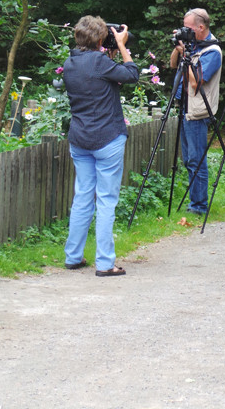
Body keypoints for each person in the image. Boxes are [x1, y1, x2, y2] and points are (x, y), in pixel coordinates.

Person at [63, 15, 139, 276]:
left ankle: (73, 256)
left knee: (83, 196)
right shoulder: (99, 61)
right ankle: (105, 264)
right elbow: (132, 75)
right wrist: (122, 45)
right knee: (106, 200)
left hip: (79, 139)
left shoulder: (70, 63)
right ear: (99, 39)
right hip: (107, 138)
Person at [170, 8, 222, 215]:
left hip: (198, 112)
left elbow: (195, 82)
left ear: (201, 27)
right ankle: (194, 201)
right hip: (184, 107)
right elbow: (173, 65)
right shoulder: (193, 45)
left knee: (196, 158)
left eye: (188, 28)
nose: (185, 30)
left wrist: (188, 55)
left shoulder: (212, 52)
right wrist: (179, 48)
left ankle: (199, 206)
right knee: (188, 159)